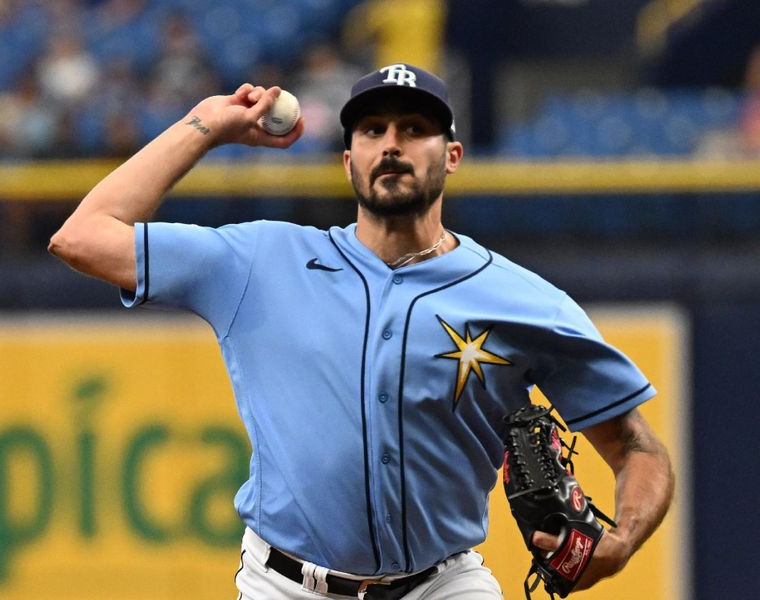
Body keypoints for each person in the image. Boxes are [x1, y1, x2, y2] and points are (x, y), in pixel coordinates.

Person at [49, 63, 674, 599]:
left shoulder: (523, 300)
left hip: (441, 582)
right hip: (285, 584)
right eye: (373, 130)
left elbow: (637, 450)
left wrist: (619, 541)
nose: (392, 144)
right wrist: (207, 127)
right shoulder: (260, 262)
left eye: (414, 128)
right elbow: (81, 237)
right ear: (349, 159)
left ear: (452, 155)